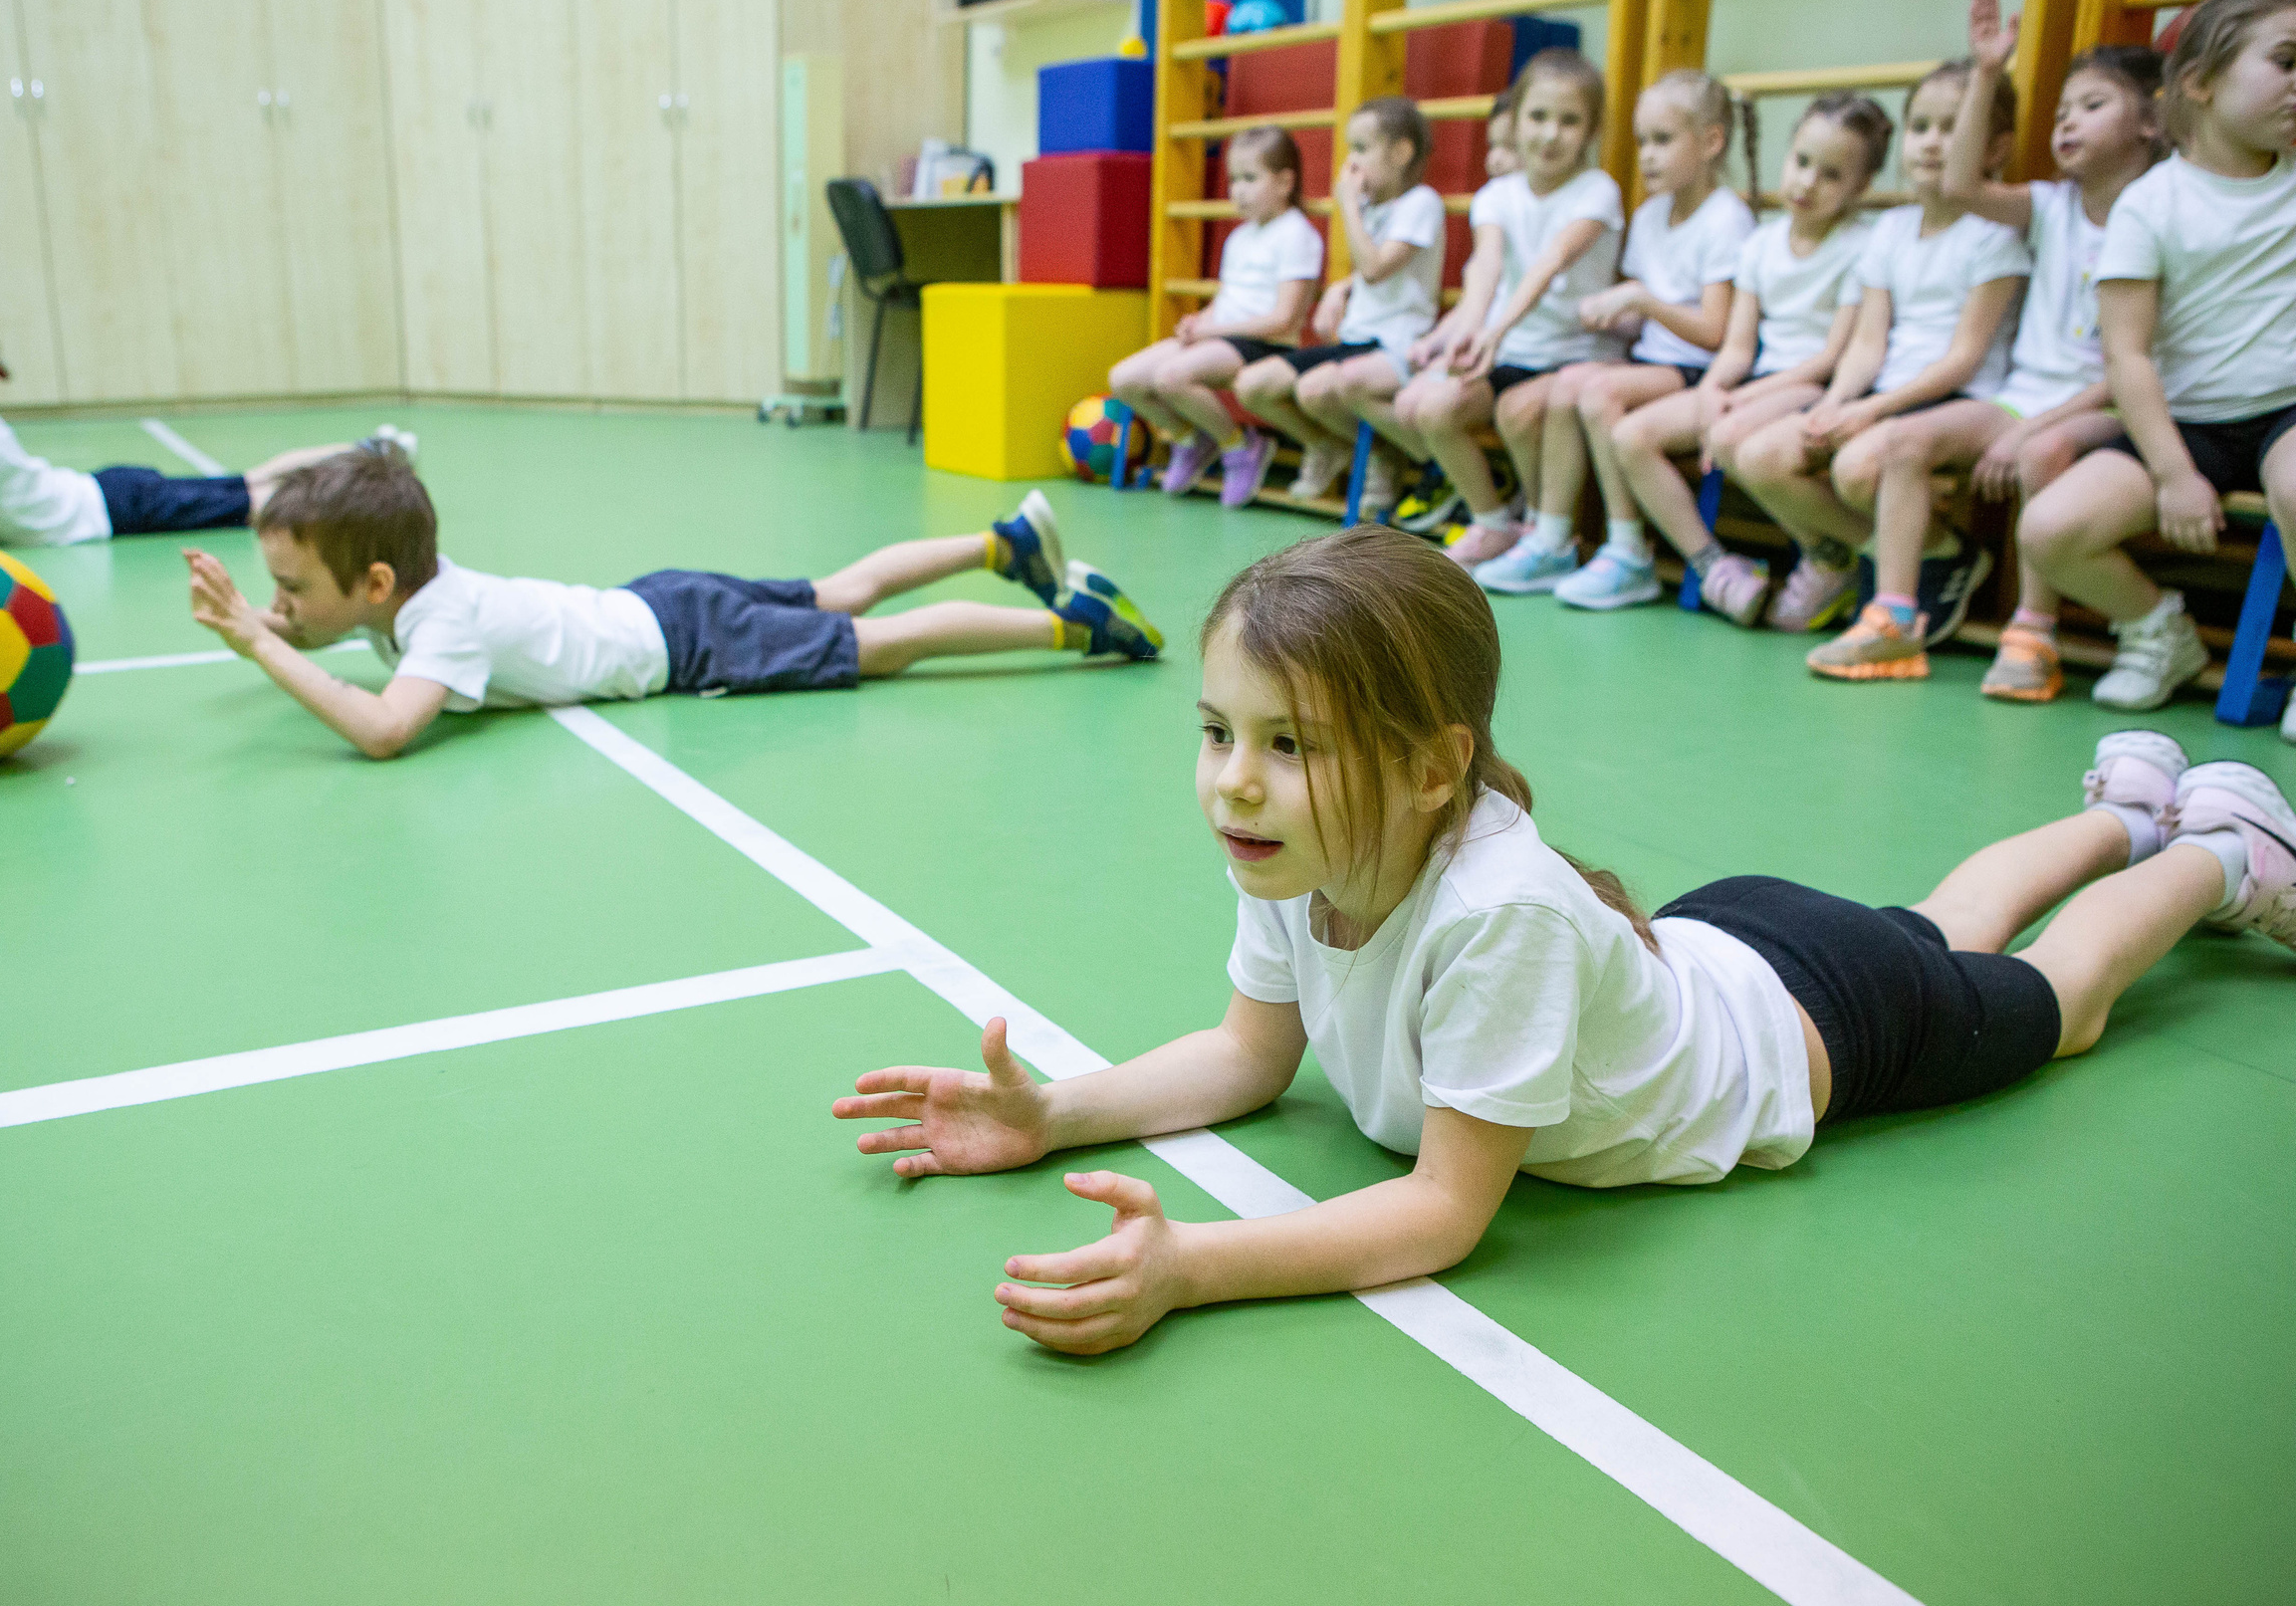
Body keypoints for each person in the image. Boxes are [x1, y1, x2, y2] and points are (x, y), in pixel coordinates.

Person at [831, 527, 2294, 1356]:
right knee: (1931, 925)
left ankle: (2220, 857)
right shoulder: (1298, 846)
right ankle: (2124, 808)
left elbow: (1441, 1211)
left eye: (1286, 742)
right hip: (1738, 944)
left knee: (2048, 994)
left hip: (1813, 1033)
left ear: (1430, 764)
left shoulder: (1501, 909)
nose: (1232, 778)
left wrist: (1187, 1266)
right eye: (1217, 733)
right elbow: (1243, 1054)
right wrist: (1054, 1114)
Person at [184, 446, 1164, 760]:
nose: (282, 605)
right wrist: (285, 623)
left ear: (375, 586)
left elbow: (387, 732)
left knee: (878, 641)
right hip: (660, 601)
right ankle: (1003, 544)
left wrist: (257, 646)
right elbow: (340, 626)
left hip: (689, 647)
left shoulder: (440, 628)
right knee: (844, 588)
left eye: (292, 589)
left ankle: (1068, 624)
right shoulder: (421, 589)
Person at [1849, 0, 2165, 701]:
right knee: (1903, 442)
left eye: (2090, 107)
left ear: (2151, 121)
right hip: (2022, 398)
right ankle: (1896, 617)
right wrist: (1988, 72)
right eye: (2060, 112)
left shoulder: (2165, 213)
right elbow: (1960, 184)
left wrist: (2035, 429)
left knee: (2041, 453)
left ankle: (2034, 631)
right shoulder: (2050, 206)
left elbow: (2130, 371)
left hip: (2103, 403)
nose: (2067, 123)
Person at [2021, 0, 2296, 735]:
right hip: (2185, 423)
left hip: (2286, 413)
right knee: (2048, 529)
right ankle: (2156, 629)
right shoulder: (2152, 203)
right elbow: (2128, 354)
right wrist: (2173, 471)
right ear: (2200, 85)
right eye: (2286, 61)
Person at [1734, 62, 2033, 678]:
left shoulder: (1994, 237)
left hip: (1963, 398)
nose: (1930, 141)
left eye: (1952, 128)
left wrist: (1867, 412)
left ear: (1993, 145)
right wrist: (1836, 403)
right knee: (1761, 453)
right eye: (1921, 125)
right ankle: (1938, 553)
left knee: (1856, 464)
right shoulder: (1892, 231)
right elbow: (1868, 344)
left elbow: (1964, 358)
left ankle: (1902, 592)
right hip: (1885, 393)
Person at [1594, 95, 1887, 625]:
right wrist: (1712, 391)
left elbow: (1829, 357)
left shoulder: (1859, 247)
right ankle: (1714, 567)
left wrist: (1738, 399)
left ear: (1860, 187)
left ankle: (1834, 552)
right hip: (1754, 380)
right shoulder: (1763, 243)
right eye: (1801, 162)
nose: (1806, 182)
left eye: (1831, 174)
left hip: (1810, 385)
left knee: (1729, 438)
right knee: (1630, 438)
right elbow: (1737, 347)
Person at [1468, 69, 1758, 603]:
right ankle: (1552, 537)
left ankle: (1628, 551)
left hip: (1697, 370)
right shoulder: (1650, 215)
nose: (1646, 155)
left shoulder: (1726, 219)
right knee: (1567, 386)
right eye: (1642, 141)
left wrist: (1639, 300)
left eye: (1663, 141)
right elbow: (1643, 321)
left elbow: (1715, 333)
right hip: (1652, 361)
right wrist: (1607, 316)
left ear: (1712, 142)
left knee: (1597, 391)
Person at [0, 319, 392, 568]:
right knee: (248, 483)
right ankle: (366, 451)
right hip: (109, 494)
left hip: (113, 508)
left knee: (258, 503)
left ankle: (366, 473)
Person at [1386, 50, 1627, 560]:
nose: (1550, 134)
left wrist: (1493, 335)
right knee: (1431, 409)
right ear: (1514, 123)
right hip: (1512, 348)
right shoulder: (1497, 195)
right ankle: (1493, 521)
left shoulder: (1597, 191)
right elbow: (1488, 265)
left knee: (1519, 413)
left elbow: (1550, 262)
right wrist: (1470, 329)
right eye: (1538, 117)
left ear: (1591, 131)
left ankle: (1544, 534)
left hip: (1573, 354)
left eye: (1570, 121)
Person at [1229, 97, 1447, 504]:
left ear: (1400, 153)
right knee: (1259, 386)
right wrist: (1341, 286)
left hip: (1396, 340)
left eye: (1362, 149)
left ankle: (1424, 458)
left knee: (1328, 388)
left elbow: (1378, 267)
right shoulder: (1371, 207)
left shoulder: (1421, 202)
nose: (1353, 162)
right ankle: (1364, 451)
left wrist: (1347, 204)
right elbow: (1372, 270)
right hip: (1357, 338)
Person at [1108, 128, 1323, 505]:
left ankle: (1240, 445)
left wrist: (1215, 328)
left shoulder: (1297, 235)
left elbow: (1284, 321)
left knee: (1171, 377)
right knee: (1124, 379)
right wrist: (1199, 322)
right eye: (1233, 180)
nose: (1237, 190)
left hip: (1261, 343)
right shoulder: (1239, 238)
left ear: (1285, 181)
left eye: (1250, 179)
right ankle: (1193, 439)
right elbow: (1228, 299)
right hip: (1222, 335)